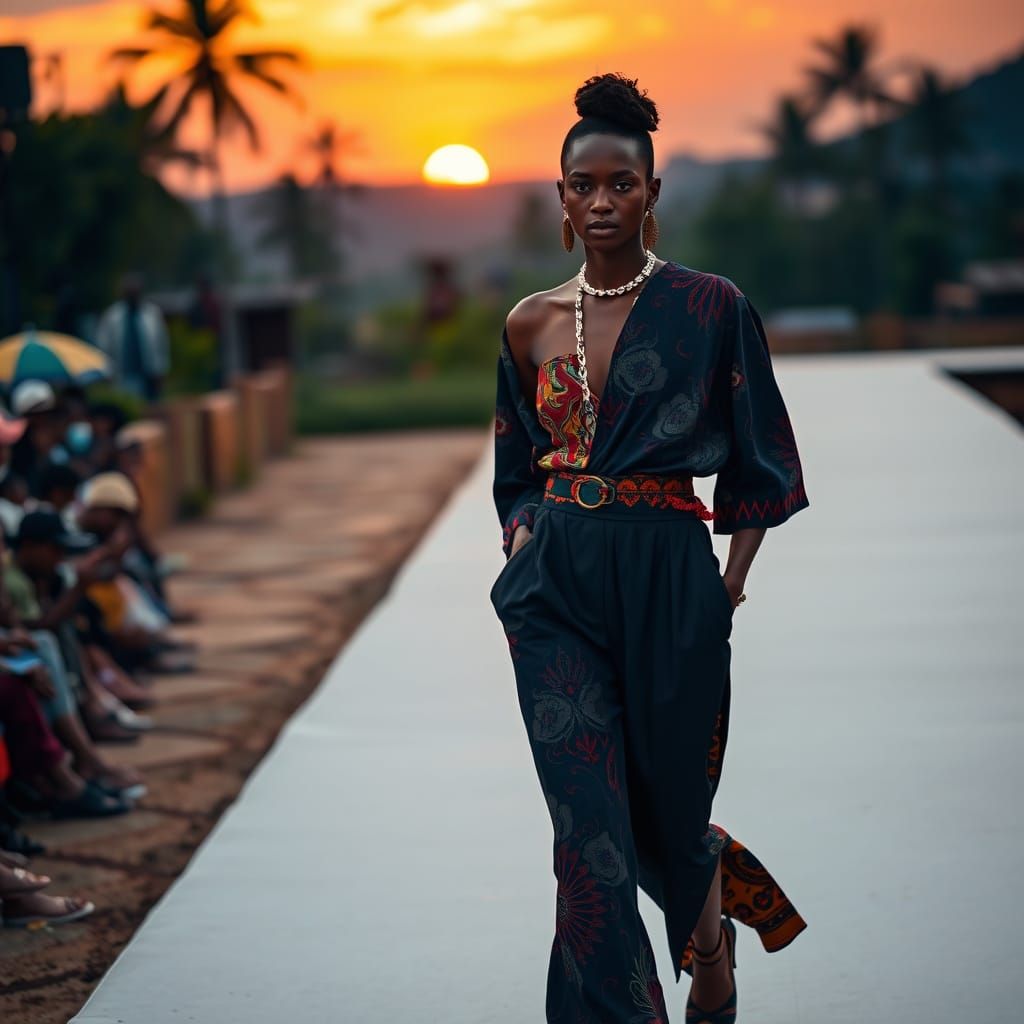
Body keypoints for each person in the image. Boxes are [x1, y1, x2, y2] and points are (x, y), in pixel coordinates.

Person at [489, 73, 811, 1023]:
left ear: (653, 196)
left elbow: (763, 461)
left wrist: (729, 586)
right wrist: (522, 544)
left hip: (673, 576)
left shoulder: (712, 308)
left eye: (620, 185)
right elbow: (515, 463)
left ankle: (707, 937)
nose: (600, 202)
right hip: (558, 588)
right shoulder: (528, 322)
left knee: (665, 811)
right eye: (581, 185)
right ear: (560, 197)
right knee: (586, 831)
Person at [95, 273, 170, 404]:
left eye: (135, 291)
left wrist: (161, 370)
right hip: (122, 375)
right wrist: (106, 372)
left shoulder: (152, 314)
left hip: (148, 376)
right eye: (129, 292)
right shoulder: (113, 316)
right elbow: (103, 346)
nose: (133, 295)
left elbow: (161, 345)